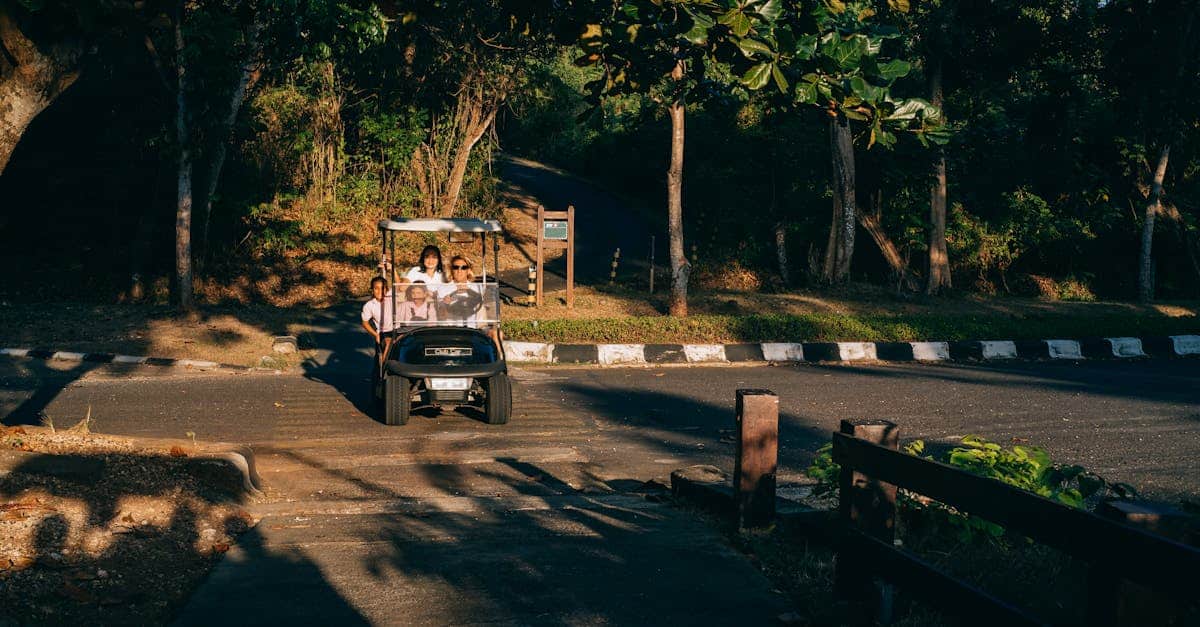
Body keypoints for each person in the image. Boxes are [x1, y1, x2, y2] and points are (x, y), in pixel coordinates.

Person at [441, 255, 503, 350]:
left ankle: (499, 360)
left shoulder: (477, 287)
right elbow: (440, 312)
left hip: (475, 328)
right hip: (452, 327)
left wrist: (469, 291)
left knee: (497, 333)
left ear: (468, 270)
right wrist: (445, 303)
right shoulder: (444, 288)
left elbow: (480, 304)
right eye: (456, 267)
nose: (459, 270)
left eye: (463, 267)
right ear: (451, 269)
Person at [361, 276, 395, 369]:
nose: (380, 291)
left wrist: (392, 271)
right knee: (389, 342)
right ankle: (383, 369)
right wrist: (376, 335)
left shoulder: (391, 298)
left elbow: (401, 287)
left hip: (398, 329)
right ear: (372, 290)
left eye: (383, 288)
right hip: (384, 332)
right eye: (376, 288)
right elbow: (365, 323)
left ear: (387, 289)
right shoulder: (369, 305)